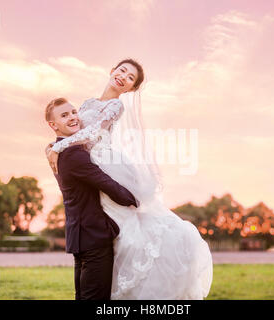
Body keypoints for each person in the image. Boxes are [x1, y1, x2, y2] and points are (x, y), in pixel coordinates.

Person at [46, 59, 213, 299]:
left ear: (131, 89)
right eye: (122, 70)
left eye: (130, 78)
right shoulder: (88, 103)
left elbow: (91, 133)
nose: (124, 76)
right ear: (112, 70)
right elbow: (70, 127)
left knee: (126, 218)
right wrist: (54, 146)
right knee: (99, 215)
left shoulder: (116, 106)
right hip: (85, 161)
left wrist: (58, 148)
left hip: (101, 160)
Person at [45, 97, 138, 300]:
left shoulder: (57, 151)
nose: (72, 117)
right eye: (64, 115)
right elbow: (107, 184)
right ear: (53, 125)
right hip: (94, 238)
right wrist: (136, 200)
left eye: (73, 112)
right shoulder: (73, 155)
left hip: (80, 238)